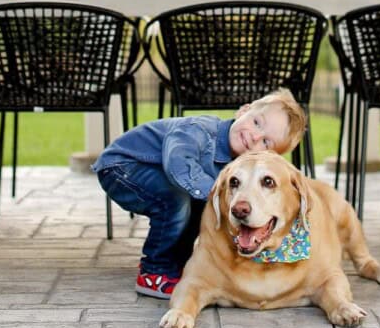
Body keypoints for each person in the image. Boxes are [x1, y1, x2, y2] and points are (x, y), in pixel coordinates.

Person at [92, 88, 307, 299]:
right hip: (122, 167)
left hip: (154, 174)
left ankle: (177, 263)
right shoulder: (200, 130)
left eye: (265, 142)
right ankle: (154, 271)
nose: (254, 137)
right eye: (256, 122)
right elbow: (178, 163)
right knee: (174, 201)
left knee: (200, 208)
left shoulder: (236, 169)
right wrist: (219, 197)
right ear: (243, 110)